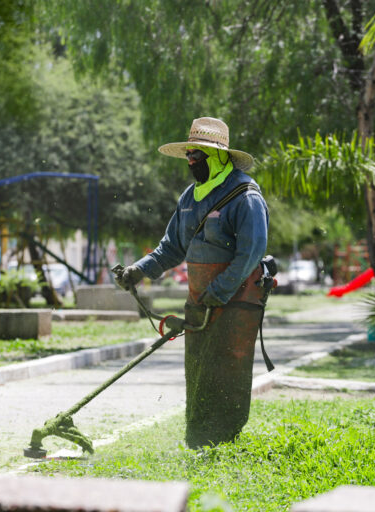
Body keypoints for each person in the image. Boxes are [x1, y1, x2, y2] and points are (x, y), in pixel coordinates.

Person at [115, 116, 269, 449]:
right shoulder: (189, 198)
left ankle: (224, 443)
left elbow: (251, 252)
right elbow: (171, 247)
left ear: (220, 155)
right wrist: (138, 271)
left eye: (198, 153)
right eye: (189, 153)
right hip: (200, 302)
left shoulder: (245, 195)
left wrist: (220, 290)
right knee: (199, 373)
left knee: (227, 372)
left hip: (236, 302)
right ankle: (198, 441)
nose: (191, 160)